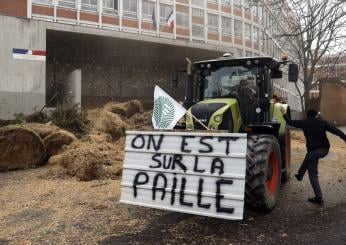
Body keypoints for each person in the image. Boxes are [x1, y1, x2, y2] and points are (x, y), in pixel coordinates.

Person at [280, 108, 346, 205]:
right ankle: (318, 197)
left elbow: (290, 122)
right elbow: (336, 131)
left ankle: (300, 174)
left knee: (310, 155)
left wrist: (284, 113)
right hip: (324, 149)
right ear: (316, 115)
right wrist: (345, 138)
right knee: (312, 174)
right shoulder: (322, 122)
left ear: (307, 115)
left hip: (314, 151)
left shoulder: (304, 122)